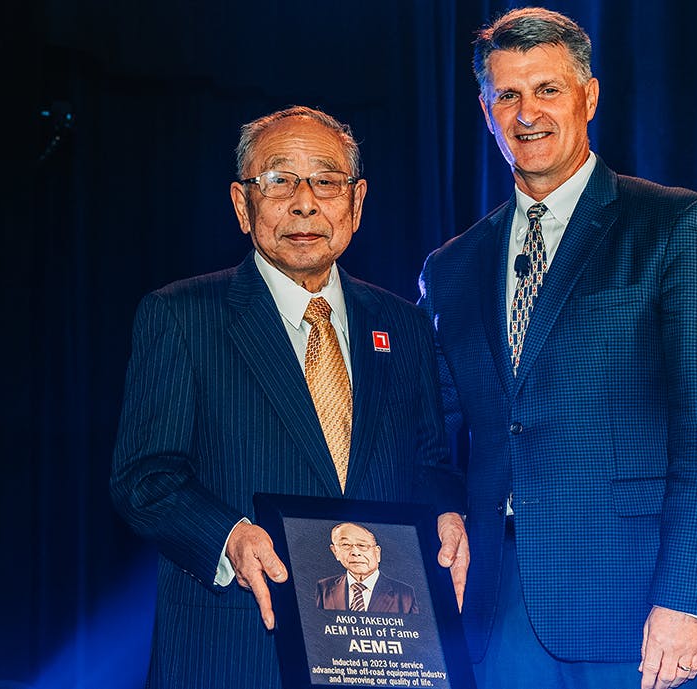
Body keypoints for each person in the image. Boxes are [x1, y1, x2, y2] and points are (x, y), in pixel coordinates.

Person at [418, 8, 697, 689]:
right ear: (486, 111)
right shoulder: (451, 266)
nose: (527, 113)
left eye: (547, 89)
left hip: (643, 603)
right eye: (507, 95)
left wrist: (688, 597)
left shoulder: (677, 225)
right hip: (496, 607)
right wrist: (442, 509)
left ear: (589, 97)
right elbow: (434, 430)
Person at [111, 105, 469, 689]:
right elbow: (144, 478)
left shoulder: (403, 324)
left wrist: (448, 513)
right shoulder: (181, 316)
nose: (304, 203)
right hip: (236, 648)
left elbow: (428, 463)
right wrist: (229, 537)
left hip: (380, 651)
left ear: (356, 202)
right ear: (242, 204)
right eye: (279, 181)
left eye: (326, 181)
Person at [315, 522, 418, 613]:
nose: (355, 552)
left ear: (377, 553)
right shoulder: (324, 588)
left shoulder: (405, 595)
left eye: (362, 545)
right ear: (335, 551)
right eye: (346, 545)